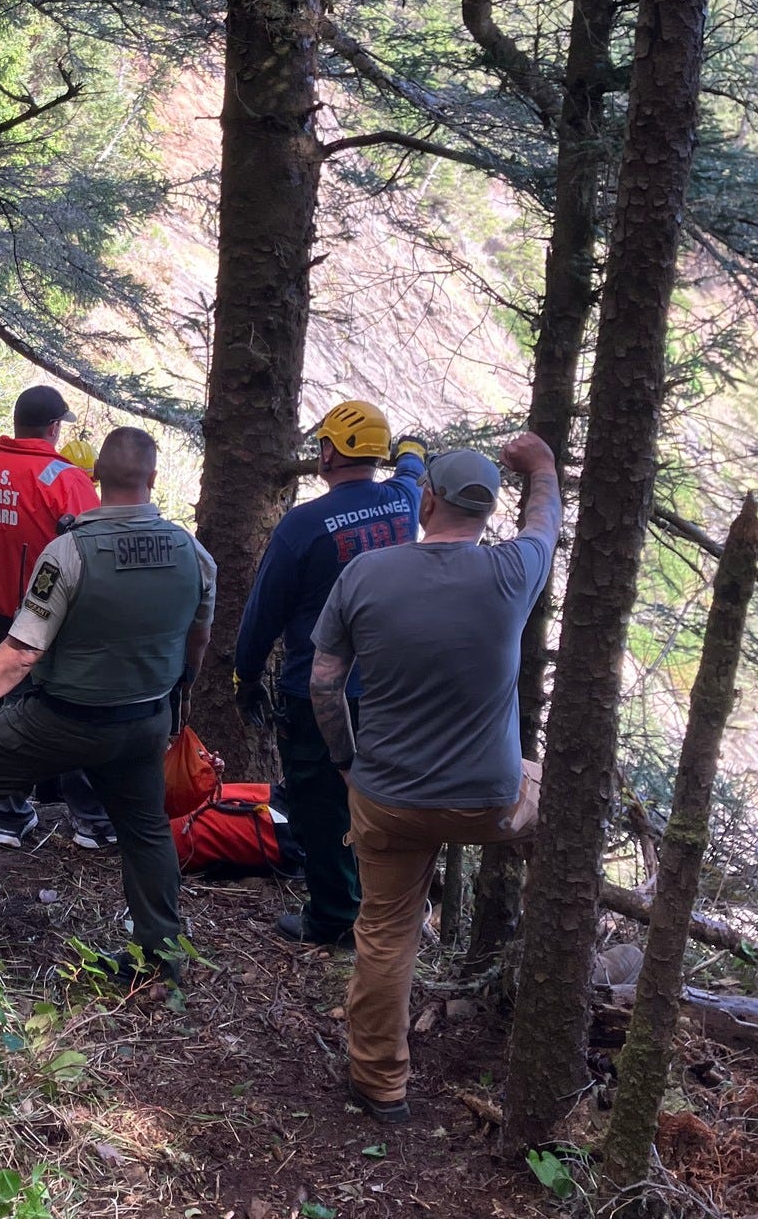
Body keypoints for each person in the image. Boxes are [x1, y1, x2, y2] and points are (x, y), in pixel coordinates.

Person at [308, 433, 561, 1122]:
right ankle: (554, 954)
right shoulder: (513, 571)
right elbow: (545, 523)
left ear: (425, 500)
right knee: (559, 797)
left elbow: (324, 685)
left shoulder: (365, 573)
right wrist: (539, 468)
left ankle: (379, 1084)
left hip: (388, 797)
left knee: (385, 933)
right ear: (484, 514)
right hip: (488, 801)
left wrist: (346, 765)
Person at [0, 428, 217, 981]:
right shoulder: (192, 552)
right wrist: (175, 699)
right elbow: (198, 641)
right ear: (153, 479)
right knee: (145, 827)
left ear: (95, 480)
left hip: (64, 718)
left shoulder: (68, 552)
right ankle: (161, 954)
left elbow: (20, 652)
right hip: (145, 717)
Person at [233, 401, 425, 947]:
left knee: (320, 804)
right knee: (378, 797)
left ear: (332, 451)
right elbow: (412, 471)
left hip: (317, 690)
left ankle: (334, 917)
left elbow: (263, 612)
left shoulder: (304, 526)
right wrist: (411, 453)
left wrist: (244, 675)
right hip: (388, 691)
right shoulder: (403, 505)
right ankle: (381, 908)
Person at [0, 385, 105, 848]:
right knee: (71, 709)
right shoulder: (67, 480)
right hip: (58, 622)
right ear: (54, 427)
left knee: (0, 709)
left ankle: (11, 815)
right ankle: (91, 819)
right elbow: (93, 555)